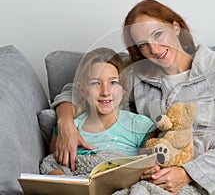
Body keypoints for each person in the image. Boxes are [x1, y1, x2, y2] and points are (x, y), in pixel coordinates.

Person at [51, 0, 215, 194]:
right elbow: (79, 87)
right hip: (164, 167)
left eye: (158, 35)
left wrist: (189, 172)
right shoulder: (137, 75)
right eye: (142, 45)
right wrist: (66, 122)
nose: (154, 49)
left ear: (175, 26)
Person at [41, 47, 156, 176]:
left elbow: (148, 167)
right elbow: (53, 164)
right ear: (82, 90)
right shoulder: (70, 129)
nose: (105, 92)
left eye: (113, 82)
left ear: (124, 88)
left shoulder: (141, 126)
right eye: (96, 83)